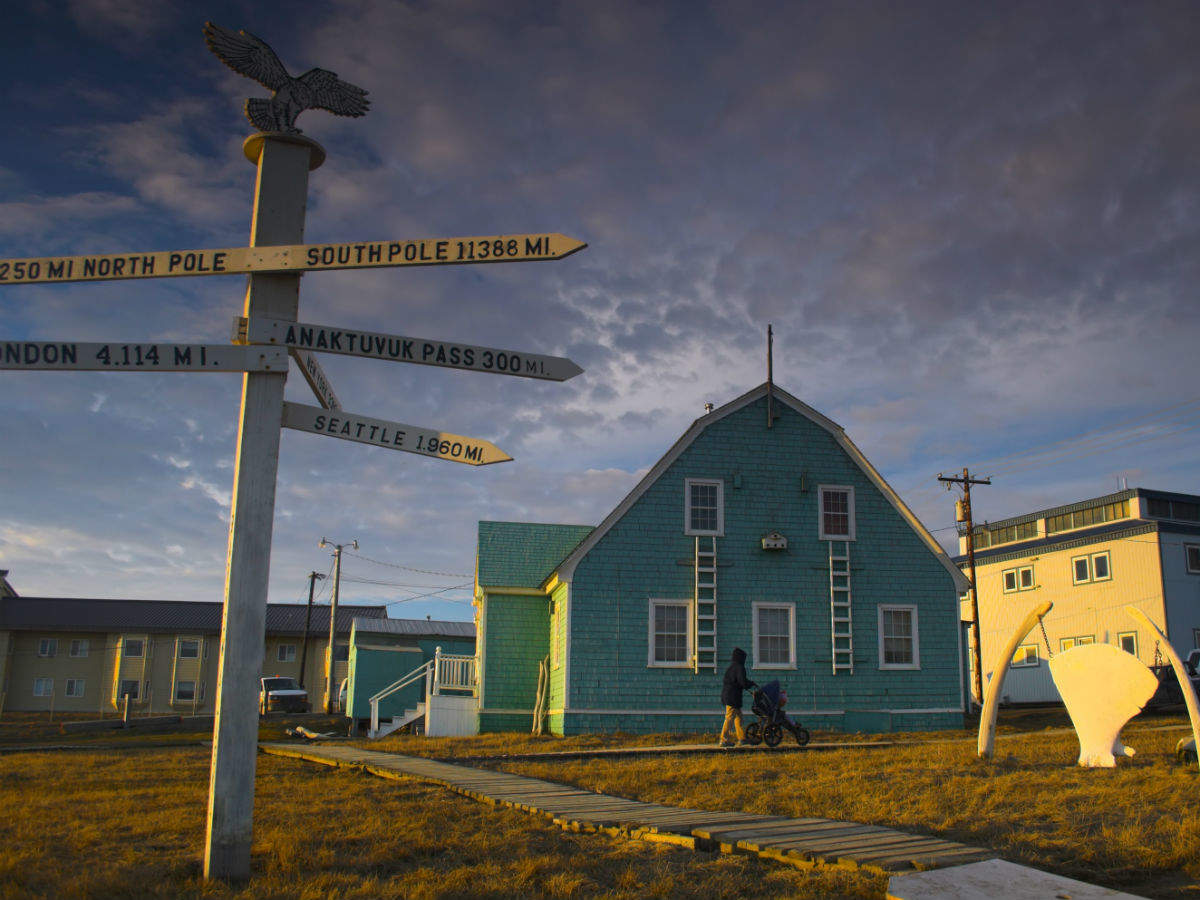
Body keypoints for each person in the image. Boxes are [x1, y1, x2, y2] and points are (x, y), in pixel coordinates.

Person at [719, 647, 756, 747]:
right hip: (733, 697)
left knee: (738, 717)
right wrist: (751, 684)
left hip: (728, 695)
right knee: (730, 717)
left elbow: (737, 682)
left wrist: (748, 684)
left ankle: (742, 738)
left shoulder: (731, 667)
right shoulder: (739, 668)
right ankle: (724, 739)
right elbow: (742, 682)